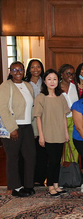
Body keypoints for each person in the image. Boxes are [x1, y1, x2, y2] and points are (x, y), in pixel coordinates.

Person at [0, 61, 36, 197]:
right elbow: (2, 109)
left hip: (27, 126)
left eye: (20, 69)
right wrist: (12, 128)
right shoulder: (5, 86)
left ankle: (28, 185)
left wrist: (34, 130)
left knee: (30, 156)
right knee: (13, 157)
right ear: (10, 72)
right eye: (14, 70)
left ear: (24, 71)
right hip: (14, 126)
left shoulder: (28, 86)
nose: (17, 72)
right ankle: (15, 187)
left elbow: (31, 109)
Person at [33, 69, 70, 196]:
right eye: (49, 79)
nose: (52, 81)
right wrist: (41, 136)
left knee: (57, 161)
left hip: (59, 133)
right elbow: (38, 117)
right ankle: (50, 186)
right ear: (44, 81)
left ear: (58, 81)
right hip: (47, 134)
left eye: (54, 79)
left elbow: (64, 116)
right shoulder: (41, 97)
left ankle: (56, 184)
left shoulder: (61, 97)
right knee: (51, 162)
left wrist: (66, 133)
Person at [23, 59, 46, 187]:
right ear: (29, 69)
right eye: (33, 67)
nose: (36, 69)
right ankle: (29, 178)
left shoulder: (46, 82)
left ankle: (41, 177)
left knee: (43, 152)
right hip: (29, 120)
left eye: (38, 67)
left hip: (44, 120)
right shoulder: (25, 83)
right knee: (31, 151)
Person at [58, 64, 80, 163]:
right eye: (68, 73)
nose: (70, 76)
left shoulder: (74, 87)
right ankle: (62, 170)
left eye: (72, 74)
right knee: (61, 146)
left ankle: (72, 168)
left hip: (74, 119)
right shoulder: (55, 87)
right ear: (62, 74)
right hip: (60, 120)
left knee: (73, 145)